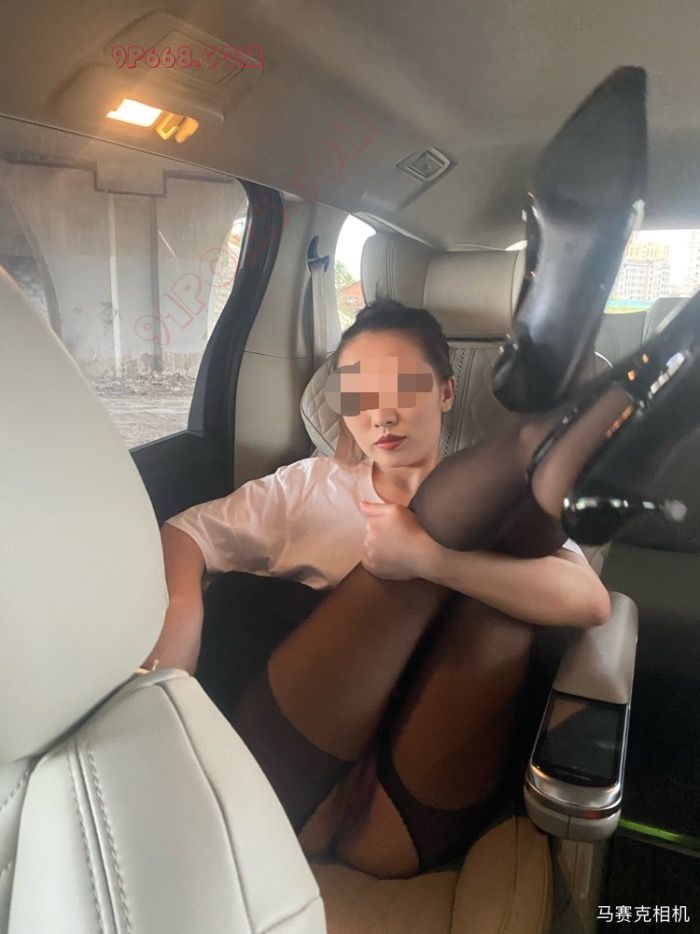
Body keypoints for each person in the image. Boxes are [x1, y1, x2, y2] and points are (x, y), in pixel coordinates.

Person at [143, 298, 611, 878]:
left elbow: (591, 602)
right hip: (296, 784)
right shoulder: (309, 487)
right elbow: (184, 532)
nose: (381, 416)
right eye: (358, 396)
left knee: (498, 595)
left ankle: (545, 443)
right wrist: (181, 616)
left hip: (407, 812)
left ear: (446, 391)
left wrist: (429, 559)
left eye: (403, 388)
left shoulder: (499, 518)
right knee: (469, 547)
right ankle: (554, 437)